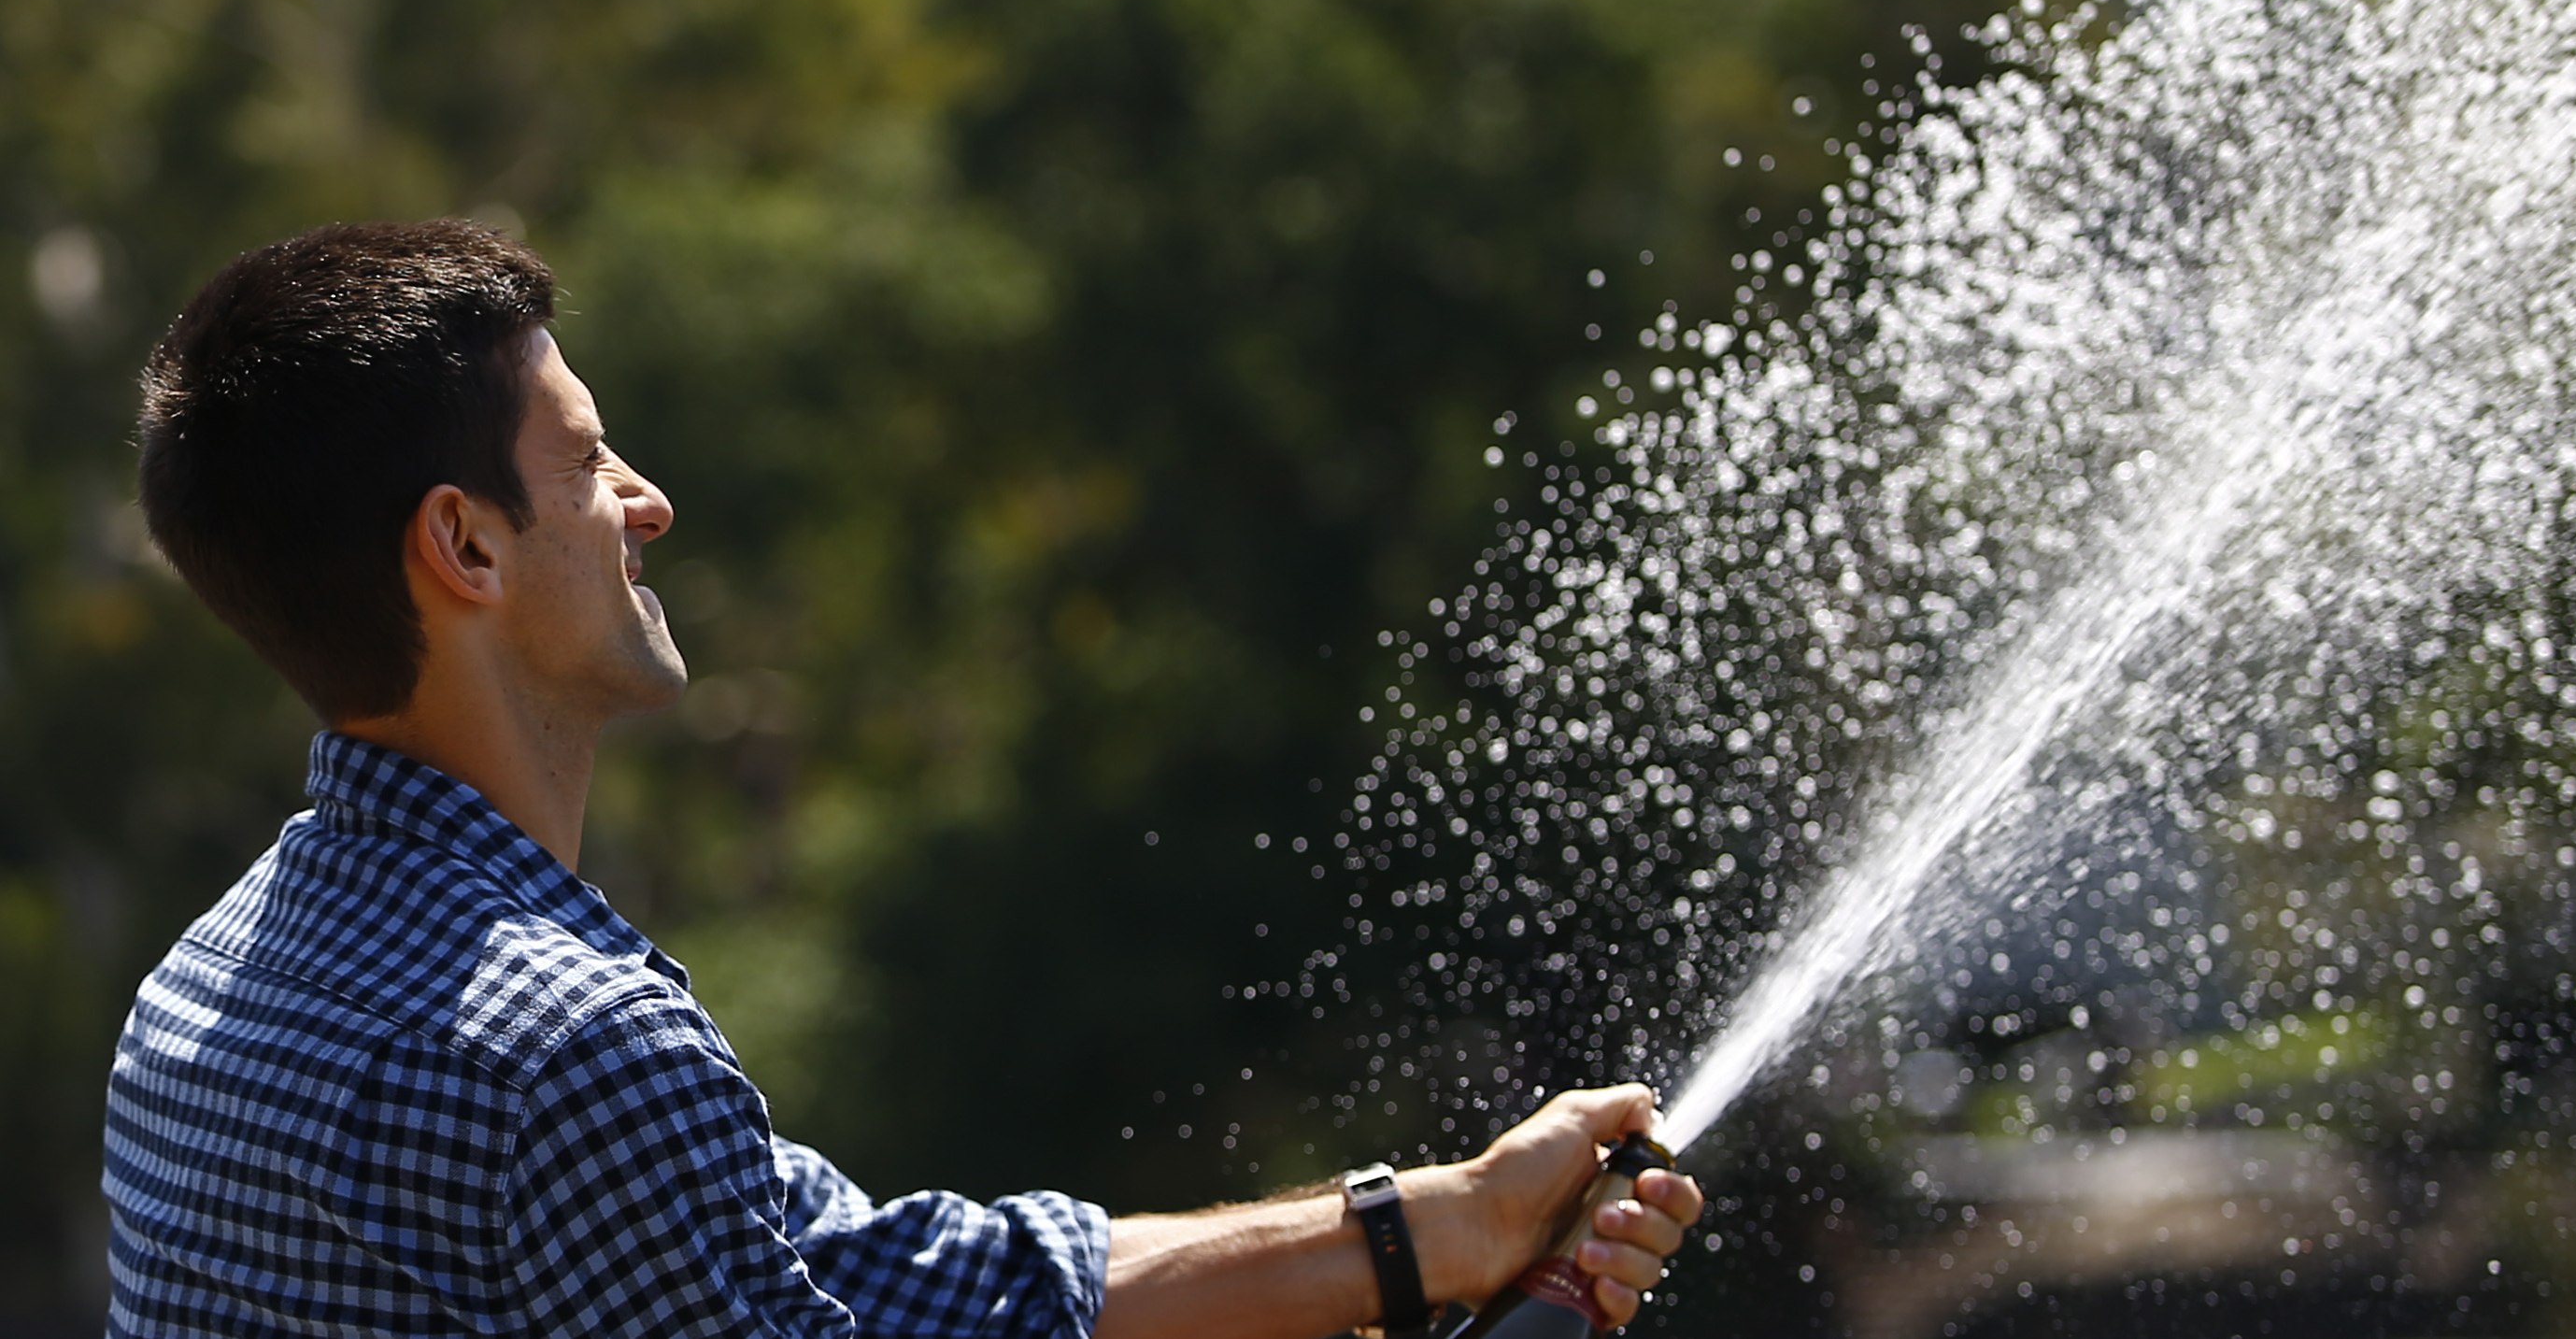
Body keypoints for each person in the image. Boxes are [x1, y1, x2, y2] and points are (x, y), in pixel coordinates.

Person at [108, 220, 1703, 1338]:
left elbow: (885, 1277)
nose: (646, 502)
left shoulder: (196, 996)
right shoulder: (569, 1058)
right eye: (587, 460)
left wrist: (1428, 1231)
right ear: (462, 545)